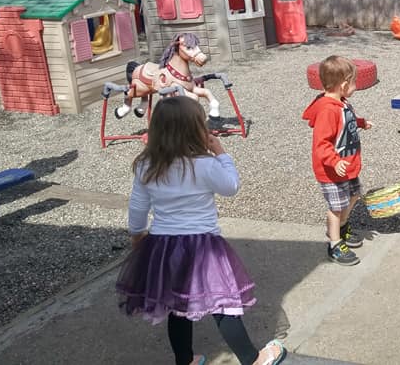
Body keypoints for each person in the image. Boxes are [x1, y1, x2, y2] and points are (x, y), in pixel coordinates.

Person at [115, 96, 286, 365]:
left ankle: (185, 360)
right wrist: (221, 153)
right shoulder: (204, 164)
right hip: (203, 247)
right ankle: (252, 359)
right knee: (223, 304)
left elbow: (137, 207)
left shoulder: (147, 165)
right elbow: (231, 187)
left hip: (163, 246)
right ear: (195, 130)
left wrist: (138, 237)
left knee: (177, 306)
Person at [302, 56, 373, 266]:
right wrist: (334, 161)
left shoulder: (341, 103)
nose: (355, 86)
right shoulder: (327, 110)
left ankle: (341, 227)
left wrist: (361, 122)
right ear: (343, 85)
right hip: (332, 170)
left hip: (347, 166)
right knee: (336, 207)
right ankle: (334, 243)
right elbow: (321, 144)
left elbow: (346, 120)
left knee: (354, 196)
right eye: (353, 82)